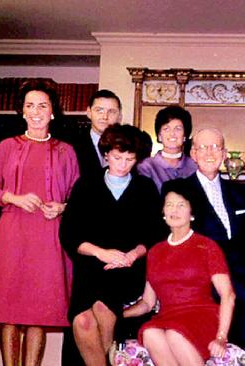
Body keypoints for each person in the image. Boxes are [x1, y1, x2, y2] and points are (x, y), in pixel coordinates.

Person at [166, 127, 245, 366]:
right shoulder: (179, 191)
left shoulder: (238, 191)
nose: (210, 153)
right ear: (193, 153)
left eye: (216, 147)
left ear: (223, 154)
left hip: (241, 272)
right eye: (203, 147)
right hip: (201, 277)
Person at [0, 80, 79, 366]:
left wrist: (63, 207)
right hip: (12, 233)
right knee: (9, 307)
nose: (36, 111)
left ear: (53, 112)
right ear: (22, 112)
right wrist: (12, 197)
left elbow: (78, 198)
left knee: (38, 309)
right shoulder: (5, 147)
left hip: (48, 235)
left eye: (42, 105)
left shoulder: (66, 151)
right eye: (30, 105)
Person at [59, 124, 163, 365]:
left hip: (128, 268)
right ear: (106, 155)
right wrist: (102, 253)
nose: (122, 164)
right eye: (117, 157)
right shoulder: (86, 184)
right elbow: (69, 233)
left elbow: (154, 234)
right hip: (92, 266)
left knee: (105, 311)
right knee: (83, 320)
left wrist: (132, 255)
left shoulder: (145, 188)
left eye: (129, 159)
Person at [124, 180, 236, 365]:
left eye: (181, 205)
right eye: (169, 205)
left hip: (201, 316)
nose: (174, 210)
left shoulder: (207, 246)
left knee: (176, 334)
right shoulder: (155, 252)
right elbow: (148, 302)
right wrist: (118, 313)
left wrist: (221, 337)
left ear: (192, 213)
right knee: (150, 333)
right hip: (167, 317)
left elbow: (228, 295)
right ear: (163, 212)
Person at [138, 105, 197, 191]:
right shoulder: (146, 167)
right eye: (166, 129)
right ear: (159, 136)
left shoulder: (195, 166)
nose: (172, 134)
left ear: (185, 135)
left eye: (178, 129)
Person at [72, 89, 123, 178]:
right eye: (99, 110)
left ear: (119, 116)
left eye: (111, 111)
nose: (105, 116)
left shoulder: (127, 146)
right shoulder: (72, 145)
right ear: (89, 112)